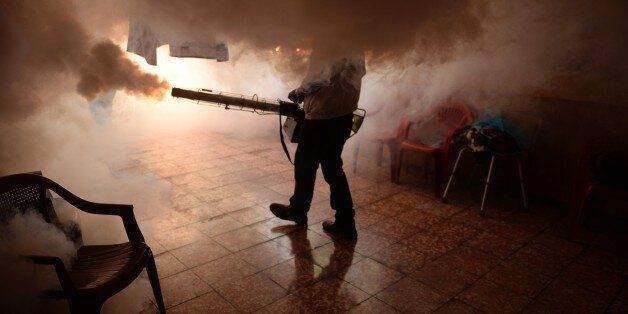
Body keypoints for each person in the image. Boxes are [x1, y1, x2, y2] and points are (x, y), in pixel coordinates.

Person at [270, 52, 365, 238]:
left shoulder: (330, 40)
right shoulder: (356, 41)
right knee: (332, 168)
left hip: (323, 116)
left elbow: (319, 78)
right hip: (343, 115)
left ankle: (298, 210)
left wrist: (299, 92)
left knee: (305, 164)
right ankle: (346, 221)